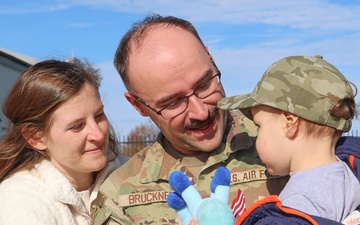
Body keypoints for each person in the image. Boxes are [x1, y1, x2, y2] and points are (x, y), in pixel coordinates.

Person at [92, 14, 289, 225]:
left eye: (204, 84)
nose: (201, 112)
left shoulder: (289, 140)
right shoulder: (120, 197)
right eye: (173, 102)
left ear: (211, 58)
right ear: (138, 105)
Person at [217, 55, 360, 222]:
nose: (256, 139)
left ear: (290, 123)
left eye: (259, 126)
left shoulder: (297, 203)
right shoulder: (351, 174)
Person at [0, 58, 128, 225]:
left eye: (99, 116)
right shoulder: (21, 202)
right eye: (76, 126)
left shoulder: (132, 174)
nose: (98, 134)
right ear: (36, 138)